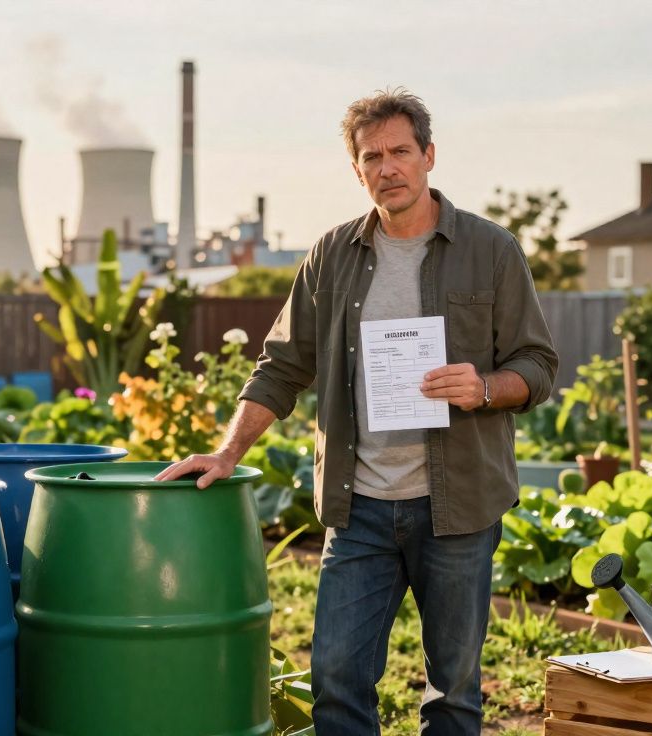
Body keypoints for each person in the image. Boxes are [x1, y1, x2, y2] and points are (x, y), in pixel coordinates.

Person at [157, 88, 557, 734]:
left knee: (453, 690)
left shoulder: (491, 250)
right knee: (336, 678)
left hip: (458, 507)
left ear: (429, 156)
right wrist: (228, 450)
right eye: (371, 156)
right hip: (360, 506)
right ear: (356, 170)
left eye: (400, 151)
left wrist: (482, 387)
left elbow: (538, 367)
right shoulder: (331, 256)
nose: (387, 167)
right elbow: (281, 365)